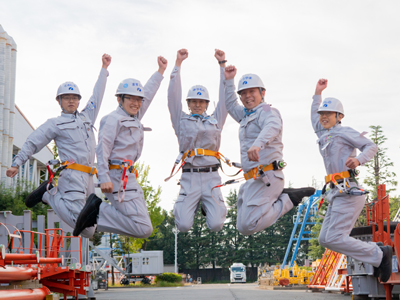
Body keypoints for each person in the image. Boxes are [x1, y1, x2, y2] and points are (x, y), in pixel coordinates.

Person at [6, 54, 111, 238]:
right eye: (66, 97)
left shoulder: (87, 117)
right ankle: (49, 193)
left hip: (88, 177)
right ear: (59, 101)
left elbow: (98, 95)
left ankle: (49, 193)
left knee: (91, 228)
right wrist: (17, 162)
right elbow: (33, 140)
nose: (71, 101)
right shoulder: (55, 123)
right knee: (86, 230)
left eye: (74, 97)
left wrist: (104, 69)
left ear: (79, 100)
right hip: (72, 176)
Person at [73, 56, 168, 238]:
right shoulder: (112, 119)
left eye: (138, 99)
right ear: (119, 99)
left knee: (144, 227)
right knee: (143, 229)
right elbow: (102, 149)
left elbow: (148, 93)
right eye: (130, 98)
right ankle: (98, 210)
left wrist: (160, 72)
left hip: (130, 178)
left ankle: (97, 212)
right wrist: (104, 177)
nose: (136, 103)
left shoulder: (133, 117)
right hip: (116, 178)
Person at [312, 78, 392, 282]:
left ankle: (380, 255)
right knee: (324, 239)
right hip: (334, 192)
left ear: (339, 116)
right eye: (322, 114)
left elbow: (371, 146)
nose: (323, 117)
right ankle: (377, 251)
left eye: (328, 114)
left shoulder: (344, 131)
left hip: (348, 191)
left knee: (334, 237)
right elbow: (313, 117)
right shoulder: (325, 135)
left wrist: (358, 159)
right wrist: (317, 93)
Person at [224, 65, 315, 235]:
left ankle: (288, 199)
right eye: (243, 93)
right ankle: (284, 197)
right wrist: (228, 79)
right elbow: (229, 104)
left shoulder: (267, 111)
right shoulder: (246, 115)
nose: (247, 96)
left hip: (268, 176)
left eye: (252, 92)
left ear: (262, 92)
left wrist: (257, 144)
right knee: (241, 227)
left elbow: (272, 126)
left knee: (249, 226)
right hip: (252, 179)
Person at [167, 48, 229, 233]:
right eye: (193, 101)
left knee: (217, 226)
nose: (197, 104)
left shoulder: (216, 120)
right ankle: (189, 205)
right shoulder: (181, 120)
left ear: (207, 104)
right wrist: (178, 64)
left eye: (202, 101)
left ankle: (207, 206)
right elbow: (172, 97)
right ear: (188, 103)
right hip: (190, 176)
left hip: (211, 176)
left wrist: (222, 65)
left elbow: (225, 98)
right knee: (184, 226)